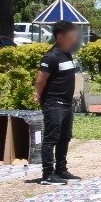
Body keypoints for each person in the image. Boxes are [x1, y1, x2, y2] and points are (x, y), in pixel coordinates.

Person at [32, 22, 81, 184]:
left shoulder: (66, 54)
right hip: (54, 103)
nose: (74, 40)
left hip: (67, 104)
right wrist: (37, 95)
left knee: (64, 137)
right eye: (70, 37)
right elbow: (40, 79)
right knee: (51, 138)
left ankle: (61, 170)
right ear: (60, 37)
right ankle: (47, 174)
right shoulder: (50, 56)